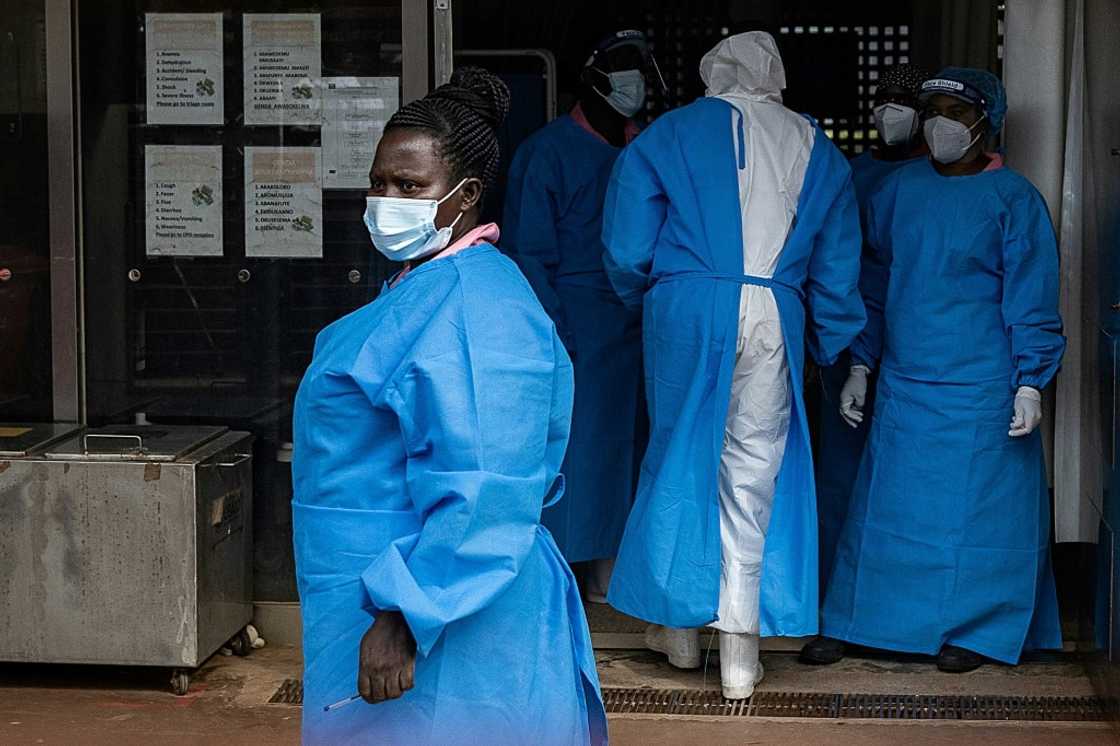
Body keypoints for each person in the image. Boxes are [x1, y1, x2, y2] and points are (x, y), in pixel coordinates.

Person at [292, 68, 606, 745]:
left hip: (440, 607)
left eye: (409, 187)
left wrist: (406, 613)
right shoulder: (424, 286)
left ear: (464, 195)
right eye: (378, 182)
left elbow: (484, 483)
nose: (386, 201)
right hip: (390, 590)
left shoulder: (475, 308)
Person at [601, 32, 865, 699]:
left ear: (713, 73)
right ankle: (741, 656)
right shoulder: (818, 147)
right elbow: (837, 266)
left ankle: (682, 636)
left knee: (679, 458)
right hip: (776, 307)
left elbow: (628, 245)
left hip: (688, 304)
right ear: (774, 75)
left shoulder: (666, 135)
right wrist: (834, 341)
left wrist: (655, 297)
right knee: (753, 474)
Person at [806, 67, 1066, 673]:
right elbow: (872, 284)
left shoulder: (1014, 200)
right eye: (933, 110)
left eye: (955, 110)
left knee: (977, 515)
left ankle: (977, 629)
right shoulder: (898, 191)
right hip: (905, 382)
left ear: (985, 123)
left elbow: (1033, 295)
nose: (939, 123)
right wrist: (861, 365)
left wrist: (1031, 381)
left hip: (983, 388)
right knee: (887, 512)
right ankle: (863, 621)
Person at [504, 30, 657, 602]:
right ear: (591, 76)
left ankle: (615, 569)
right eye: (621, 66)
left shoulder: (644, 149)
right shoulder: (547, 153)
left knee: (632, 452)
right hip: (577, 328)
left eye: (640, 67)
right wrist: (556, 332)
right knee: (580, 451)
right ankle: (562, 576)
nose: (633, 79)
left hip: (638, 322)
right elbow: (529, 254)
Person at [813, 64, 929, 591]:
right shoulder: (846, 174)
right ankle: (838, 589)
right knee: (842, 472)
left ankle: (895, 592)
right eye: (882, 100)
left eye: (902, 101)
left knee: (908, 476)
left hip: (919, 347)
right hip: (844, 339)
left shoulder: (941, 186)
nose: (889, 111)